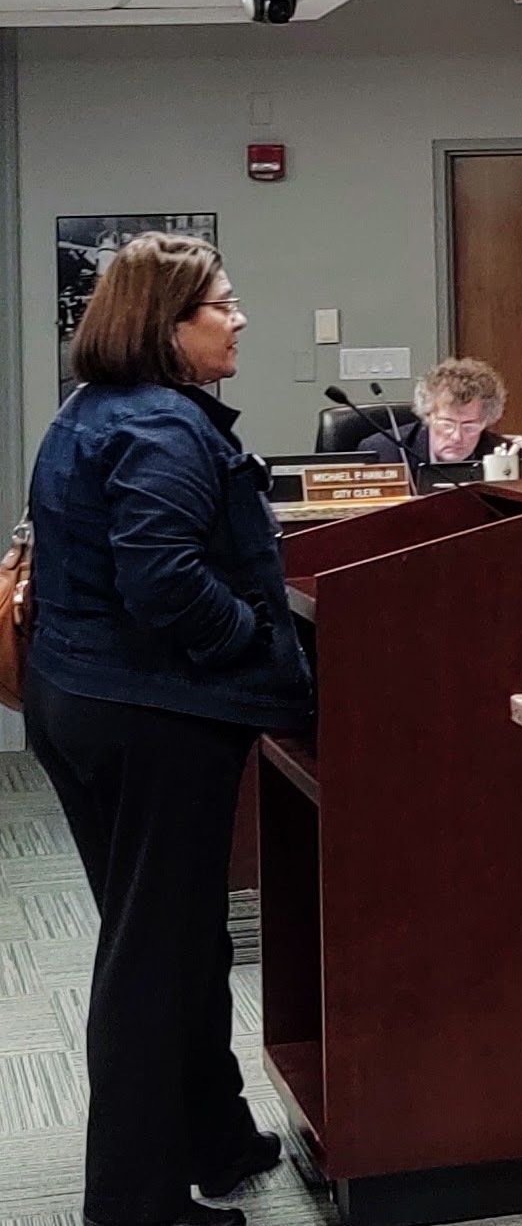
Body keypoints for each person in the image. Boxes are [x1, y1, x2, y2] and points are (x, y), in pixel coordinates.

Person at [24, 234, 312, 1226]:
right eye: (221, 305)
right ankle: (136, 1204)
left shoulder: (89, 413)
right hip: (155, 719)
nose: (238, 319)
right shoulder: (162, 428)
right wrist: (255, 639)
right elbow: (164, 585)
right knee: (153, 956)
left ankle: (214, 1137)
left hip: (81, 704)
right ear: (168, 326)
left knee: (176, 939)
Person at [358, 356, 515, 464]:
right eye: (447, 424)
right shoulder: (383, 453)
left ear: (485, 421)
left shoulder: (510, 457)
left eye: (469, 427)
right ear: (428, 416)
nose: (456, 437)